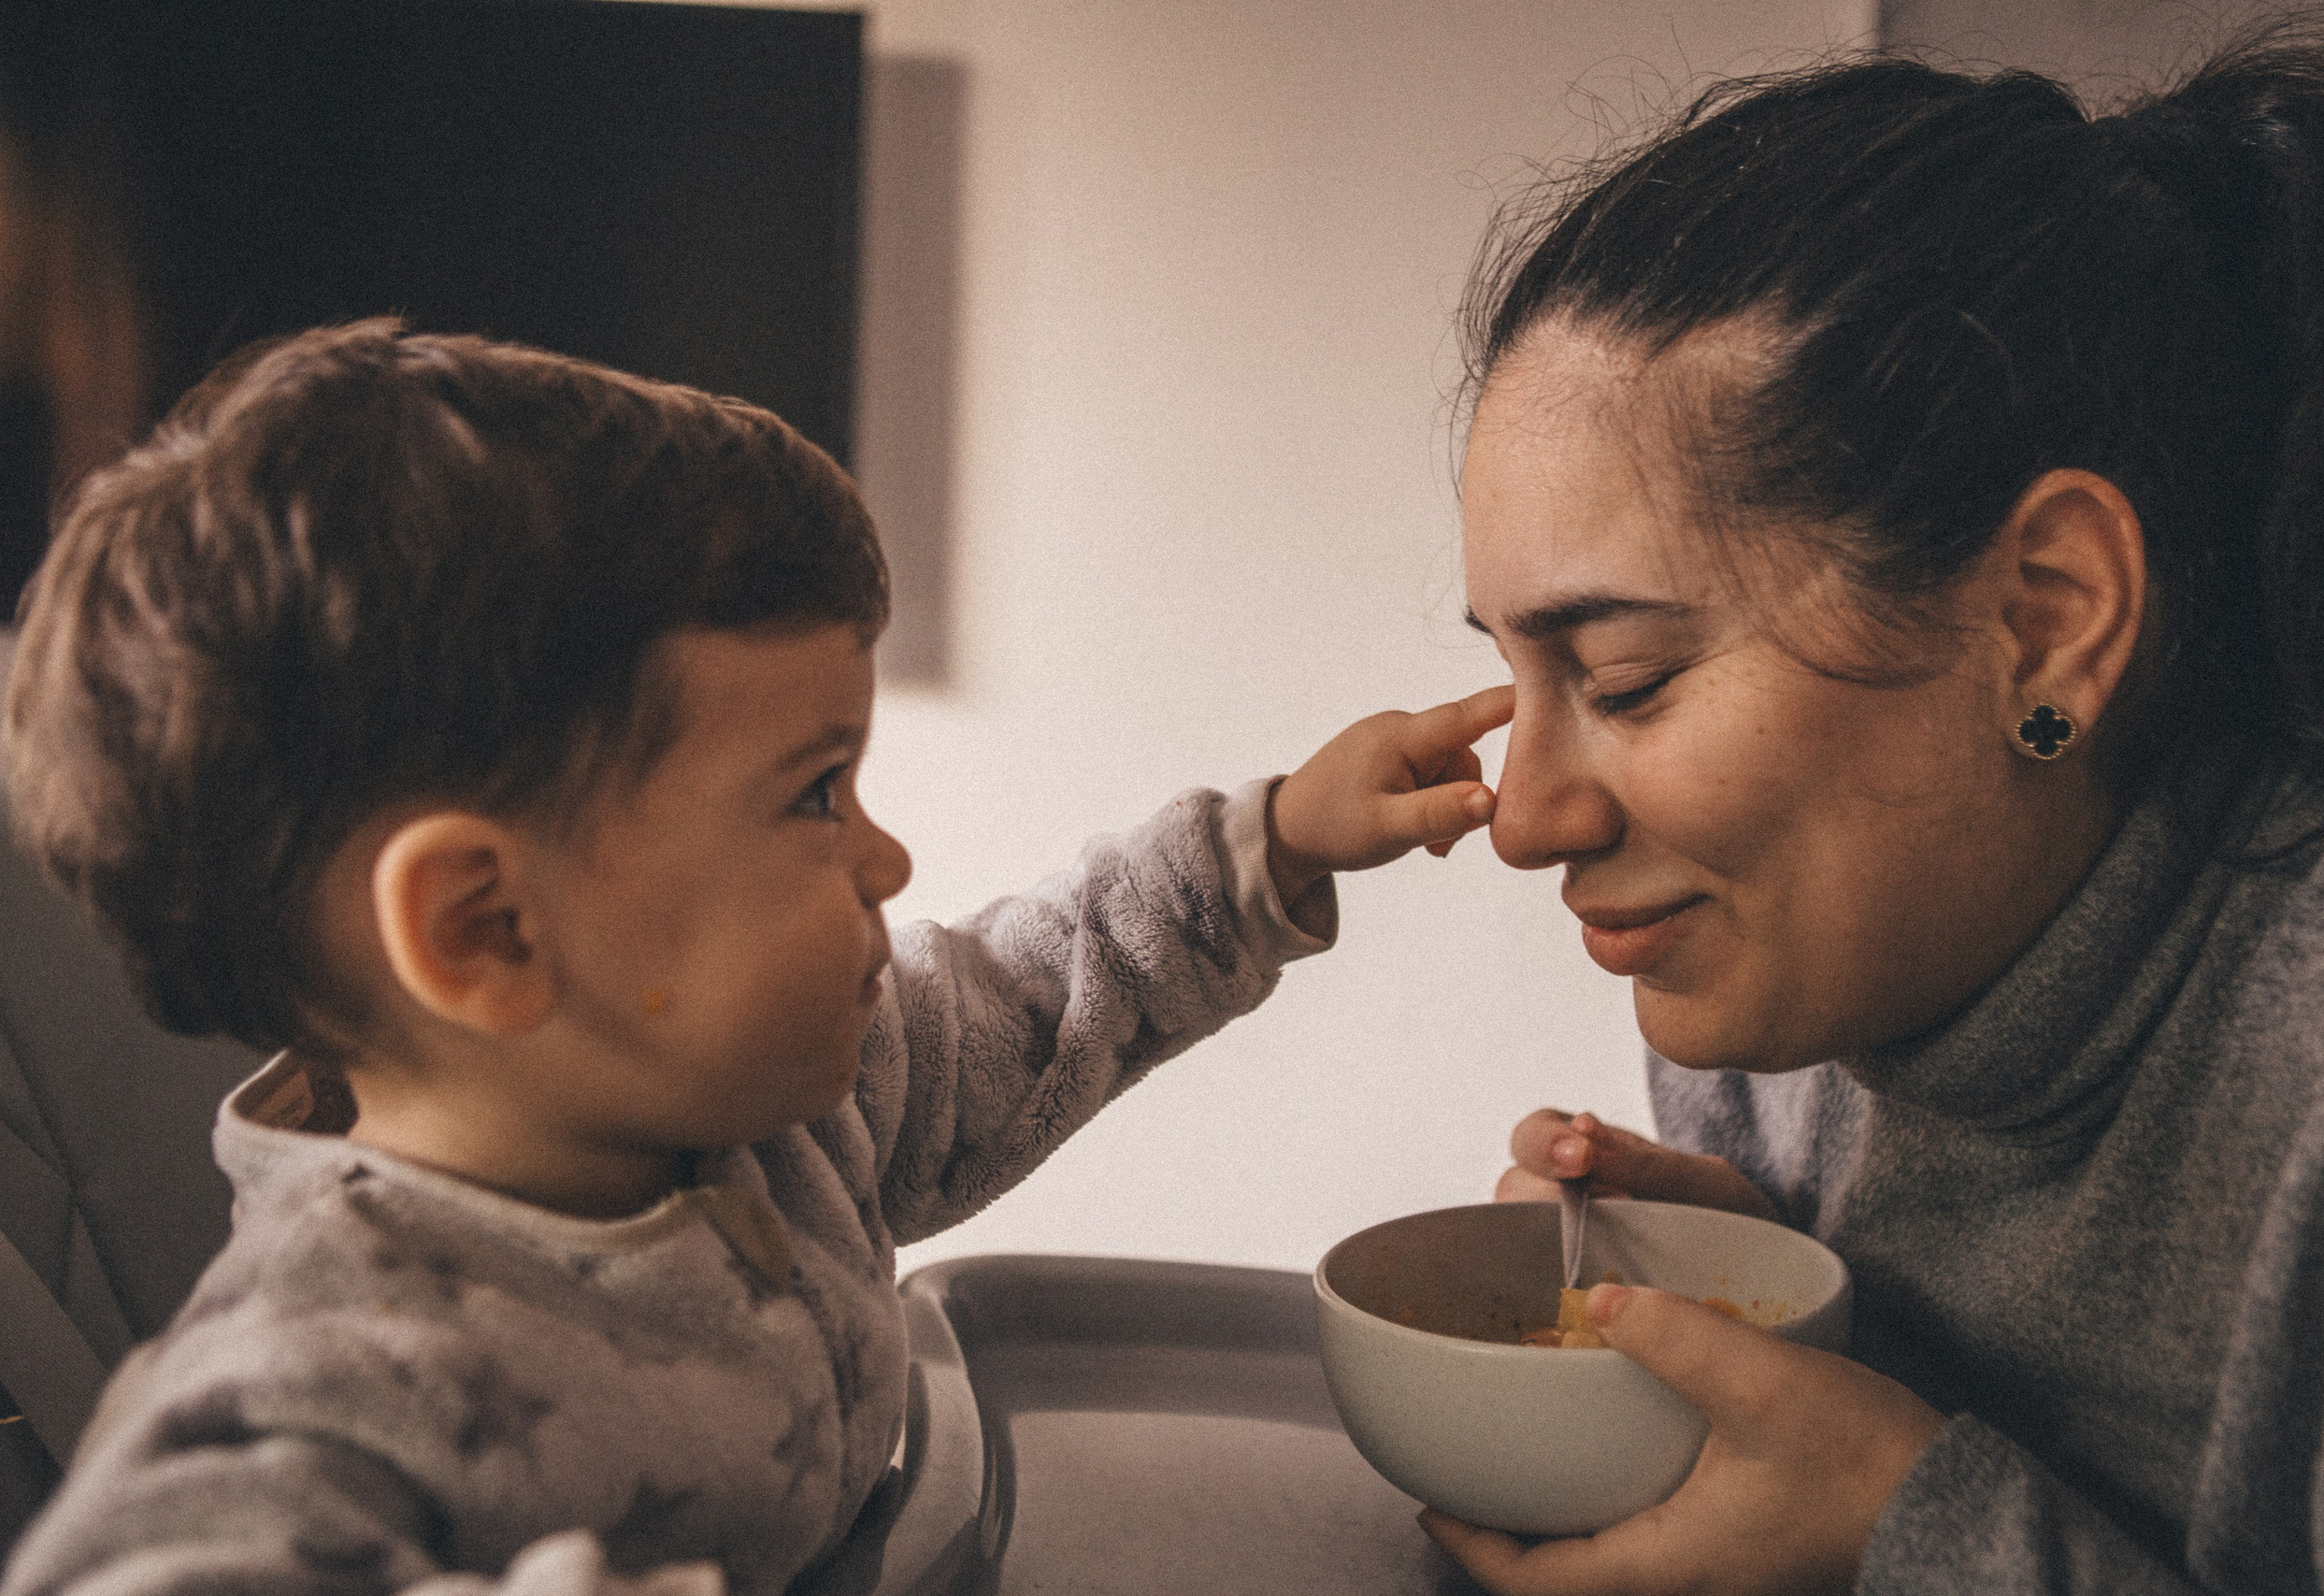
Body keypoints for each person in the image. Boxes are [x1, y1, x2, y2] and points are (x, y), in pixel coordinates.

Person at [0, 320, 1511, 1596]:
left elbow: (1029, 998)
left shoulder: (778, 1116)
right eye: (815, 792)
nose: (886, 859)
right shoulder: (329, 1382)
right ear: (487, 929)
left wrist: (1276, 847)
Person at [1419, 16, 2324, 1596]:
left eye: (1628, 677)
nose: (1522, 822)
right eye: (1514, 675)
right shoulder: (1790, 1028)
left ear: (2046, 621)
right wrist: (1804, 1300)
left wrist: (1904, 1530)